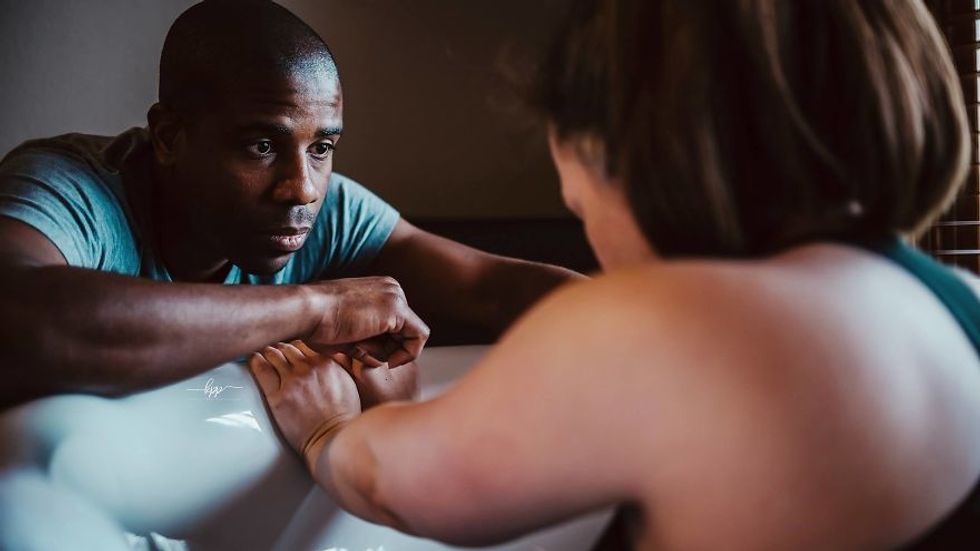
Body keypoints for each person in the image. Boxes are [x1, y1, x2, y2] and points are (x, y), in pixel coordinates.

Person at [251, 0, 980, 548]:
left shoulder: (668, 323)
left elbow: (395, 485)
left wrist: (329, 432)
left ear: (638, 159)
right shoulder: (959, 301)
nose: (599, 246)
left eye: (581, 203)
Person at [0, 0, 580, 408]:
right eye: (261, 145)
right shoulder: (71, 189)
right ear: (170, 137)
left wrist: (659, 320)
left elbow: (491, 287)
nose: (302, 188)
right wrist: (315, 309)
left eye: (322, 147)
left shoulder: (327, 213)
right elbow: (21, 321)